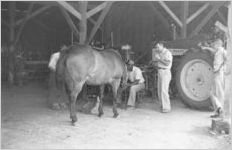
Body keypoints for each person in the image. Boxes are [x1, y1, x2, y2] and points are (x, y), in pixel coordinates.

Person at [200, 39, 227, 118]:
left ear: (218, 44)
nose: (213, 46)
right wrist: (206, 48)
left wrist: (221, 67)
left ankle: (220, 110)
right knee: (212, 93)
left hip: (219, 73)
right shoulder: (218, 51)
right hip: (216, 73)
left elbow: (228, 59)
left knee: (219, 93)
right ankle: (218, 110)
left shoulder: (222, 51)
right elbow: (213, 51)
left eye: (214, 44)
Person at [151, 42, 173, 113]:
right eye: (156, 47)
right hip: (160, 71)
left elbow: (167, 63)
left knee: (164, 90)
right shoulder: (159, 53)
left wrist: (159, 59)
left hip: (165, 72)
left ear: (161, 46)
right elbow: (158, 63)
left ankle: (167, 107)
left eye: (157, 47)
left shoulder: (167, 53)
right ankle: (162, 106)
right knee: (159, 90)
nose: (156, 48)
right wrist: (154, 62)